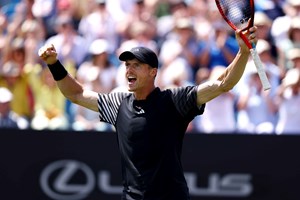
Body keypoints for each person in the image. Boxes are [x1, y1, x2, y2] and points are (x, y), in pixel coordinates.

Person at [38, 26, 258, 200]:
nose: (129, 70)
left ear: (153, 72)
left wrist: (243, 51)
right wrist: (54, 64)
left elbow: (223, 84)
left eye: (136, 65)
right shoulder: (117, 103)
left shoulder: (175, 100)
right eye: (126, 65)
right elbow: (76, 94)